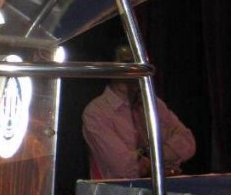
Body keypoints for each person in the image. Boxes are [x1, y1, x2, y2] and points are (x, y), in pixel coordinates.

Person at [82, 44, 196, 179]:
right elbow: (124, 167)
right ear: (111, 67)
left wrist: (145, 155)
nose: (135, 68)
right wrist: (165, 156)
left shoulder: (153, 103)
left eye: (138, 62)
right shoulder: (96, 112)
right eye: (127, 62)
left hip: (167, 185)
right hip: (123, 190)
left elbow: (188, 143)